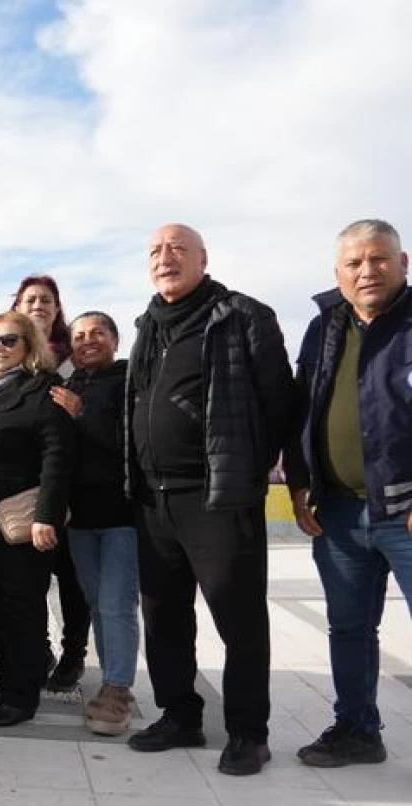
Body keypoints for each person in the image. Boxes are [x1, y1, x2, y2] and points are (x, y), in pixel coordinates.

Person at [126, 223, 294, 776]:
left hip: (217, 498)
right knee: (164, 616)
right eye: (155, 250)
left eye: (177, 248)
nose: (165, 257)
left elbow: (278, 405)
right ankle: (181, 715)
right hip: (154, 498)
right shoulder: (147, 323)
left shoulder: (242, 315)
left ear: (203, 258)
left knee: (239, 619)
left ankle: (249, 732)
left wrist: (244, 472)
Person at [286, 219, 412, 768]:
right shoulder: (324, 328)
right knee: (350, 627)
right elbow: (300, 408)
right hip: (336, 511)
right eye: (355, 263)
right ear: (338, 274)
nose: (367, 271)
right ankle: (358, 729)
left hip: (404, 510)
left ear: (403, 263)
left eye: (379, 259)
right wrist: (297, 483)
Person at [0, 312, 74, 727]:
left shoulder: (44, 388)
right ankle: (5, 685)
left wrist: (47, 517)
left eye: (9, 341)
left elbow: (57, 457)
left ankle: (23, 697)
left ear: (28, 346)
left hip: (24, 523)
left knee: (23, 609)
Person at [51, 311, 139, 736]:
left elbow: (131, 442)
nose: (87, 341)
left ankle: (118, 688)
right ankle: (111, 678)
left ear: (115, 340)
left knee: (117, 602)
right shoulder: (69, 384)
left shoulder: (130, 381)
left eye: (97, 333)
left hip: (121, 515)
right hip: (79, 518)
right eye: (79, 335)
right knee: (96, 602)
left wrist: (80, 414)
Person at [12, 275, 90, 691]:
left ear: (57, 308)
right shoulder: (6, 355)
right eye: (30, 299)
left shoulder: (75, 357)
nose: (38, 305)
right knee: (28, 579)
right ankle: (38, 649)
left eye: (46, 299)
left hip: (72, 487)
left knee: (71, 578)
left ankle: (73, 654)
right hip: (23, 490)